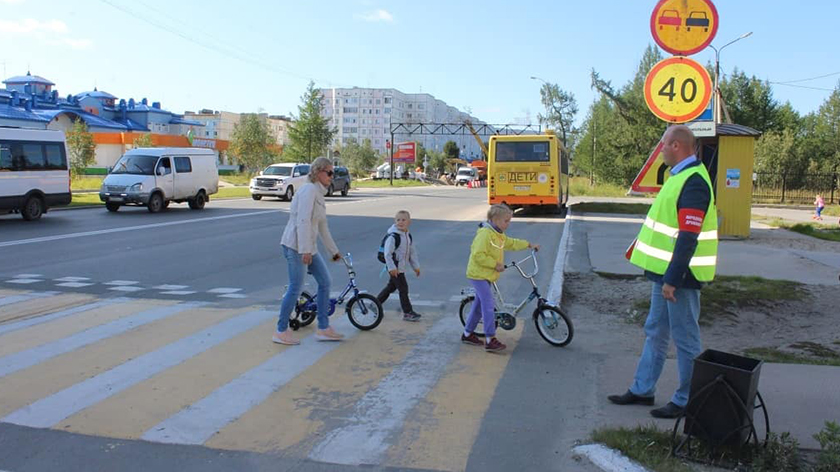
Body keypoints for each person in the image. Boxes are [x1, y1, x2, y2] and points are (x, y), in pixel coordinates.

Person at [608, 125, 718, 419]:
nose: (661, 149)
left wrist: (673, 279)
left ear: (678, 146)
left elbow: (688, 236)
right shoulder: (679, 177)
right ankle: (643, 389)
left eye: (664, 144)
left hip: (680, 277)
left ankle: (687, 399)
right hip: (665, 274)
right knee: (655, 331)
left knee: (685, 338)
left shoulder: (693, 182)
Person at [273, 157, 344, 345]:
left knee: (325, 282)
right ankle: (280, 331)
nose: (331, 176)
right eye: (329, 172)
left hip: (308, 247)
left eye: (333, 173)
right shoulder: (309, 191)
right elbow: (303, 221)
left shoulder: (319, 194)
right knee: (295, 287)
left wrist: (333, 251)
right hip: (296, 246)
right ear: (318, 172)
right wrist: (305, 250)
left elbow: (322, 226)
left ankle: (323, 328)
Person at [462, 204, 539, 352]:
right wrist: (495, 264)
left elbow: (511, 243)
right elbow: (478, 255)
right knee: (488, 304)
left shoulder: (498, 234)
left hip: (486, 275)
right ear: (495, 220)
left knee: (479, 306)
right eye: (506, 221)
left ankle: (467, 334)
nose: (508, 224)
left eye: (509, 220)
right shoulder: (485, 234)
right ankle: (490, 339)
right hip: (478, 275)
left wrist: (529, 245)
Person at [376, 210, 422, 322]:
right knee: (403, 288)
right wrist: (392, 268)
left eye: (403, 220)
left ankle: (375, 305)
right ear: (394, 221)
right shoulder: (393, 236)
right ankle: (407, 312)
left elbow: (412, 252)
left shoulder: (407, 236)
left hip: (399, 267)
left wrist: (416, 267)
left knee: (390, 287)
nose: (400, 222)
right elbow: (387, 254)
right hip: (394, 267)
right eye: (398, 220)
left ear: (409, 222)